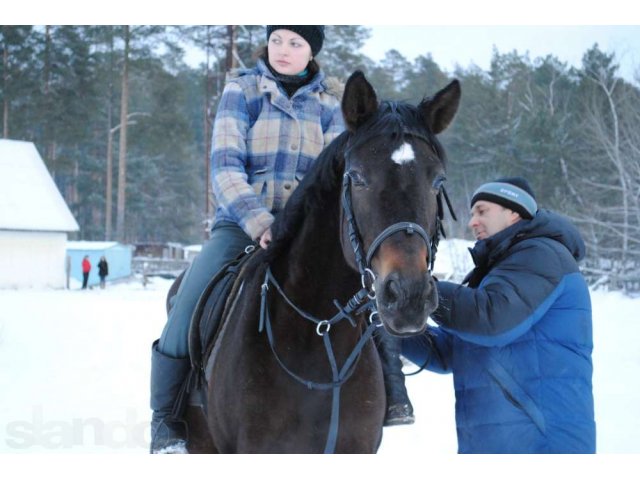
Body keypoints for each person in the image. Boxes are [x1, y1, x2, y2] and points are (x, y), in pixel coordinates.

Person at [149, 26, 344, 454]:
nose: (283, 50)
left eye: (296, 43)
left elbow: (334, 177)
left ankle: (390, 386)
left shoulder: (332, 101)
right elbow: (224, 165)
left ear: (312, 51)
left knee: (357, 286)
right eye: (277, 40)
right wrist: (259, 222)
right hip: (239, 224)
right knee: (189, 299)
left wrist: (301, 226)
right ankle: (165, 419)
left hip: (306, 231)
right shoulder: (242, 90)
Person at [402, 177, 595, 453]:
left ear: (514, 211)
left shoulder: (543, 254)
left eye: (482, 211)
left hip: (542, 444)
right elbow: (446, 352)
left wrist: (422, 290)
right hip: (497, 442)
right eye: (471, 214)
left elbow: (492, 320)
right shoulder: (497, 272)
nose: (472, 222)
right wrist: (389, 325)